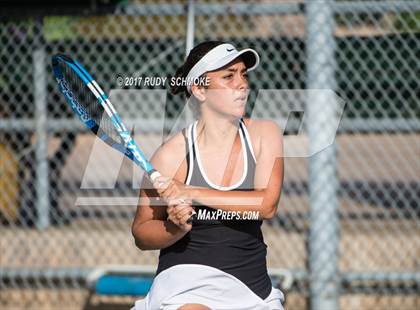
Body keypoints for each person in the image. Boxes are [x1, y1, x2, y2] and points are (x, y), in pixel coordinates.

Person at [131, 41, 285, 310]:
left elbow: (266, 205)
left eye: (243, 74)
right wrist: (175, 228)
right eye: (228, 76)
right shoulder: (171, 154)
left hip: (251, 288)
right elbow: (142, 233)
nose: (241, 84)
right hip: (186, 284)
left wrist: (191, 191)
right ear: (199, 90)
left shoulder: (264, 134)